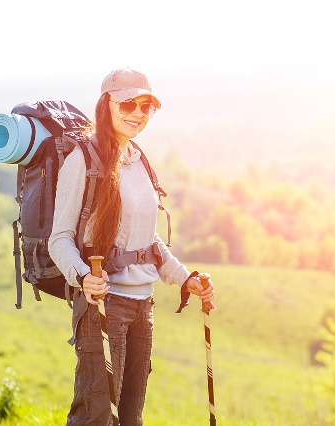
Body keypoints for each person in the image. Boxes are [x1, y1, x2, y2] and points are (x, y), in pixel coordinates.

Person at [49, 67, 215, 426]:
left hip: (143, 306)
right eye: (128, 104)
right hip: (103, 305)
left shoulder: (139, 161)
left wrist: (186, 279)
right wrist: (81, 276)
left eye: (146, 106)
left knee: (130, 418)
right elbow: (59, 238)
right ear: (106, 104)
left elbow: (148, 241)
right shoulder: (83, 161)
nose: (137, 113)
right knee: (95, 417)